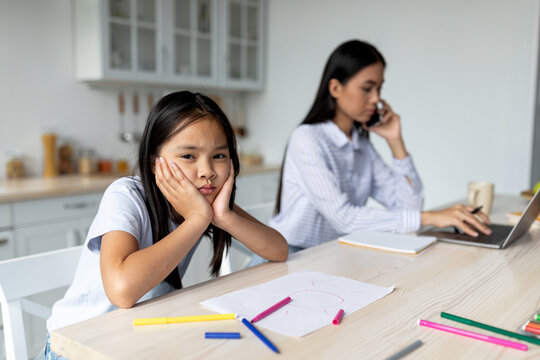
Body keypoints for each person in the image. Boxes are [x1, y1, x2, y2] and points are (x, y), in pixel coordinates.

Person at [44, 91, 288, 359]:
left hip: (141, 338)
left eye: (219, 155)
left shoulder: (209, 202)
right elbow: (122, 291)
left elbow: (279, 250)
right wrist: (197, 220)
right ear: (153, 163)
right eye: (188, 156)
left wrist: (224, 217)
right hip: (77, 346)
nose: (207, 170)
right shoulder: (126, 195)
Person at [269, 39, 491, 253]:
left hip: (333, 254)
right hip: (290, 255)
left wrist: (396, 142)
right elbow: (343, 219)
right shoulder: (307, 138)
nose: (376, 99)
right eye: (367, 88)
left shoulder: (361, 144)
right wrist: (432, 217)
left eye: (379, 89)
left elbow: (408, 208)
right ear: (335, 88)